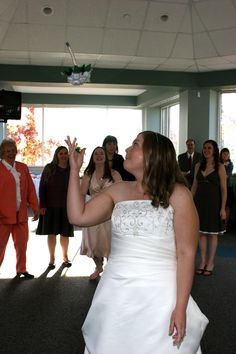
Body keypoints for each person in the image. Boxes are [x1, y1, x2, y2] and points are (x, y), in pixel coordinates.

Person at [65, 131, 208, 354]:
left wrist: (181, 307)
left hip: (160, 293)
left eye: (135, 144)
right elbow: (78, 216)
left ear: (154, 154)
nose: (127, 150)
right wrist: (75, 171)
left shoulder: (179, 195)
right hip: (117, 290)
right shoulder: (119, 190)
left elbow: (186, 253)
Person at [80, 146, 122, 280]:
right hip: (92, 212)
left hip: (110, 213)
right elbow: (81, 194)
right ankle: (98, 267)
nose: (99, 156)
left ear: (105, 156)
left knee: (110, 242)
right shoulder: (88, 174)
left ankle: (111, 269)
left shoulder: (114, 174)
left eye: (101, 153)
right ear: (92, 158)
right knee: (94, 242)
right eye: (96, 154)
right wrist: (80, 211)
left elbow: (122, 193)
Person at [0, 138, 39, 279]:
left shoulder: (22, 167)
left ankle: (21, 269)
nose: (10, 153)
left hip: (21, 215)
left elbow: (30, 190)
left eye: (12, 150)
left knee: (22, 245)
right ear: (2, 153)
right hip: (3, 217)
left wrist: (36, 208)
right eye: (7, 151)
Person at [192, 140, 227, 276]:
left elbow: (224, 190)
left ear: (214, 150)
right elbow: (194, 186)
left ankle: (210, 262)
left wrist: (223, 208)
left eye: (209, 148)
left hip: (214, 204)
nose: (206, 150)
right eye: (204, 148)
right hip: (199, 203)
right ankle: (202, 261)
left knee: (212, 234)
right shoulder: (198, 166)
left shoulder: (220, 167)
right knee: (201, 233)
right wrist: (189, 201)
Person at [36, 146, 74, 269]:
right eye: (61, 153)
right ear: (56, 155)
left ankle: (65, 256)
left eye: (65, 153)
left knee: (65, 234)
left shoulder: (71, 169)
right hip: (50, 206)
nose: (63, 155)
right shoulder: (49, 168)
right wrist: (42, 205)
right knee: (51, 234)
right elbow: (42, 188)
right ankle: (52, 258)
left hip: (66, 206)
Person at [220, 147, 235, 230]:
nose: (225, 155)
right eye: (224, 153)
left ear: (229, 155)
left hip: (228, 188)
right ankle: (220, 225)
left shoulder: (230, 164)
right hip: (220, 187)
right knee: (220, 205)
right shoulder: (218, 163)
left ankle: (225, 225)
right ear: (221, 155)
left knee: (227, 207)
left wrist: (220, 176)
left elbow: (226, 176)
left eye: (227, 154)